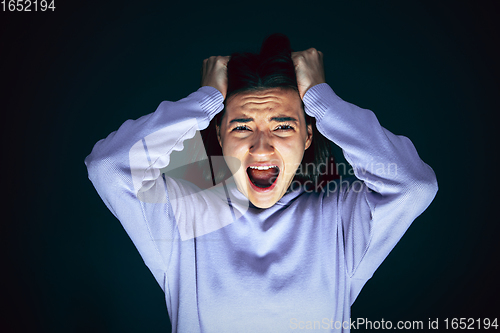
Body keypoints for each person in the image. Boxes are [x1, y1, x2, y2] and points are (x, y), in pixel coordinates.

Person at [85, 33, 438, 332]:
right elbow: (108, 166)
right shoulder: (183, 216)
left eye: (283, 126)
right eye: (241, 127)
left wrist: (321, 97)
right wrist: (204, 100)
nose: (261, 145)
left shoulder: (341, 218)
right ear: (220, 139)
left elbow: (413, 185)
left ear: (309, 137)